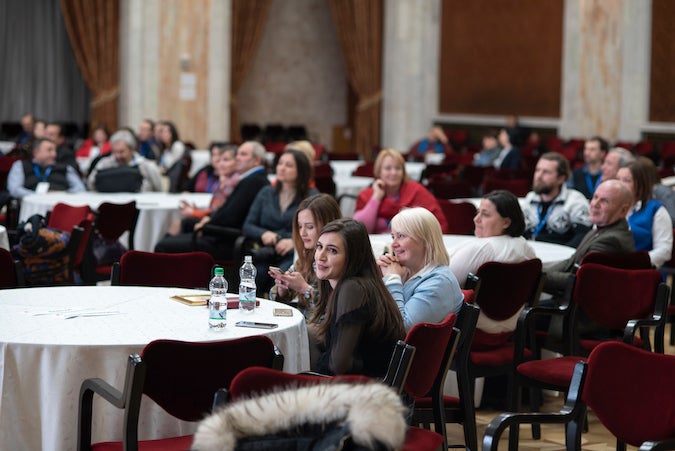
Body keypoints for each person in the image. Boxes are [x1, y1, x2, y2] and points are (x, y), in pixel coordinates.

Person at [309, 218, 406, 376]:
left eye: (332, 250)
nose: (321, 256)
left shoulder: (352, 288)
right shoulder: (363, 284)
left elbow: (339, 366)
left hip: (362, 392)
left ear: (353, 257)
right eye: (319, 247)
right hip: (369, 385)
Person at [154, 141, 269, 261]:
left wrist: (206, 225)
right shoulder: (253, 179)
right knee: (180, 227)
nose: (238, 158)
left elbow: (231, 216)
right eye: (238, 154)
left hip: (226, 240)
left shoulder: (252, 182)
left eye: (243, 154)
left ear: (257, 160)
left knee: (163, 246)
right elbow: (226, 212)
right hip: (223, 233)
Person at [448, 190, 536, 333]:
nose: (476, 219)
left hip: (470, 328)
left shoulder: (482, 248)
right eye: (477, 212)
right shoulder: (526, 248)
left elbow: (443, 280)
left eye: (485, 214)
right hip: (512, 326)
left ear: (506, 222)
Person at [242, 149, 317, 295]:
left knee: (283, 278)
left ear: (301, 171)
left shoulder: (311, 197)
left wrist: (294, 241)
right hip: (266, 251)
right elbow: (248, 225)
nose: (282, 168)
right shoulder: (266, 192)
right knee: (255, 275)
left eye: (288, 165)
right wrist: (263, 233)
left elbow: (318, 229)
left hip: (294, 253)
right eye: (280, 163)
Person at [377, 207, 463, 331]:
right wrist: (376, 277)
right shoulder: (406, 271)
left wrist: (392, 280)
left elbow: (402, 328)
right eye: (393, 237)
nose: (393, 244)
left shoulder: (439, 282)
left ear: (425, 240)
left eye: (401, 236)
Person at [543, 179, 635, 295]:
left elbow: (580, 280)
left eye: (604, 201)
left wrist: (537, 276)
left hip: (583, 307)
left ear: (623, 210)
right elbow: (570, 262)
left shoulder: (611, 240)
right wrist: (540, 272)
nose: (595, 204)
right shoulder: (597, 230)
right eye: (595, 197)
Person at [269, 194, 342, 316]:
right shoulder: (305, 255)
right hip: (303, 323)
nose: (302, 233)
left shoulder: (338, 259)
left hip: (321, 330)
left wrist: (305, 289)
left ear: (328, 225)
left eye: (310, 227)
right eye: (300, 226)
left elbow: (336, 307)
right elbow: (275, 296)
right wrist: (283, 287)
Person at [353, 148, 448, 233]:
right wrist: (376, 197)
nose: (393, 173)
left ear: (403, 172)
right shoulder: (366, 196)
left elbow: (437, 223)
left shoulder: (416, 191)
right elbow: (361, 231)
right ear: (379, 172)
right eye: (388, 168)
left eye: (398, 168)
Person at [522, 152, 591, 247]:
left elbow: (583, 235)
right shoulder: (530, 198)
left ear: (561, 179)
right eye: (537, 170)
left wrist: (563, 255)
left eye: (546, 172)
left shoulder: (575, 200)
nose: (539, 176)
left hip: (560, 257)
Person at [167, 144, 239, 235]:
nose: (220, 163)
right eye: (218, 159)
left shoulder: (231, 182)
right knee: (177, 224)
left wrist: (194, 213)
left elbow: (218, 212)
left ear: (237, 162)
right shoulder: (207, 172)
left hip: (217, 227)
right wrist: (196, 210)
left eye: (226, 160)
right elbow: (215, 208)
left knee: (177, 225)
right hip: (211, 220)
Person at [616, 157, 673, 268]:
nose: (620, 185)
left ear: (640, 184)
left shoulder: (656, 210)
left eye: (626, 180)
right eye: (618, 179)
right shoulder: (611, 207)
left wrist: (635, 262)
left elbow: (664, 251)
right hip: (610, 268)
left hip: (642, 272)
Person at [7, 138, 86, 199]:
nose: (54, 154)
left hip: (59, 205)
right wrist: (37, 196)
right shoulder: (20, 165)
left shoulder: (65, 168)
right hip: (32, 204)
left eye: (55, 150)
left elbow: (80, 188)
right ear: (36, 152)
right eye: (49, 150)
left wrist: (63, 195)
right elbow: (14, 189)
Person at [87, 129, 163, 192]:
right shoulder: (104, 164)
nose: (117, 156)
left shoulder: (146, 166)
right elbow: (91, 184)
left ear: (132, 149)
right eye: (114, 152)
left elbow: (158, 189)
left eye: (121, 152)